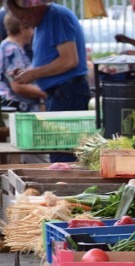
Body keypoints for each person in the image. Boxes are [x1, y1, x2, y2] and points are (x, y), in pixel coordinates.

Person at [7, 0, 91, 163]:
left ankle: (66, 188)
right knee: (59, 154)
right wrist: (28, 72)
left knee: (63, 156)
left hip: (68, 93)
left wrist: (34, 73)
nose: (22, 22)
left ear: (34, 7)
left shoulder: (56, 17)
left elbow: (69, 60)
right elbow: (50, 60)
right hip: (60, 94)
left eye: (23, 16)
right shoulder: (42, 23)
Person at [0, 12, 46, 113]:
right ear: (22, 28)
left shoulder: (9, 47)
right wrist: (45, 94)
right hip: (18, 110)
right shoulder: (11, 50)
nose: (33, 33)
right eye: (30, 28)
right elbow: (18, 86)